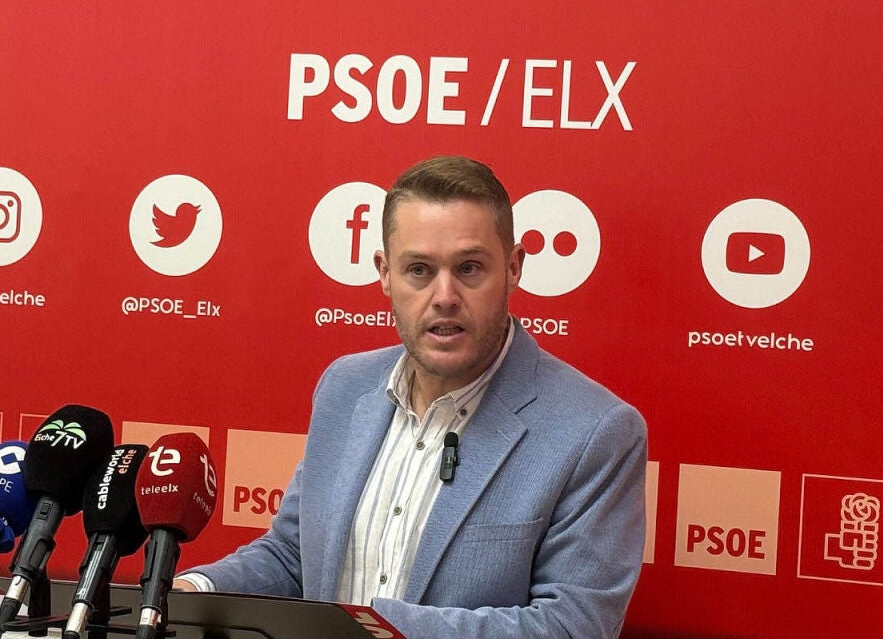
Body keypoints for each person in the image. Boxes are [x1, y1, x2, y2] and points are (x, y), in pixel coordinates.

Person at [178, 156, 648, 639]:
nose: (444, 296)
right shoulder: (345, 386)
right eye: (419, 270)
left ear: (513, 268)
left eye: (469, 268)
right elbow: (292, 557)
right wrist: (188, 594)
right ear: (385, 273)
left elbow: (573, 626)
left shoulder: (596, 431)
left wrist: (366, 628)